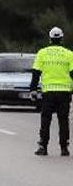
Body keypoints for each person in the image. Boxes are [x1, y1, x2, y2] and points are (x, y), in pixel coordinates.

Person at [30, 26, 73, 157]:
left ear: (50, 39)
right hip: (64, 91)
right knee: (63, 119)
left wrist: (33, 89)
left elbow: (36, 73)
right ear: (61, 39)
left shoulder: (42, 53)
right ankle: (64, 148)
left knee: (46, 118)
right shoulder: (69, 54)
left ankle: (43, 146)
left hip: (48, 91)